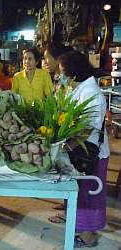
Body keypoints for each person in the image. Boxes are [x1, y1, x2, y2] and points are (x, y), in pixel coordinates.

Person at [58, 50, 109, 248]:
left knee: (90, 194)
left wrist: (66, 145)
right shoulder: (80, 89)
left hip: (90, 153)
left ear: (73, 73)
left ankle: (89, 235)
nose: (61, 75)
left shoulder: (91, 93)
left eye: (63, 72)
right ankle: (79, 225)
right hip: (80, 150)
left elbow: (87, 128)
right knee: (81, 191)